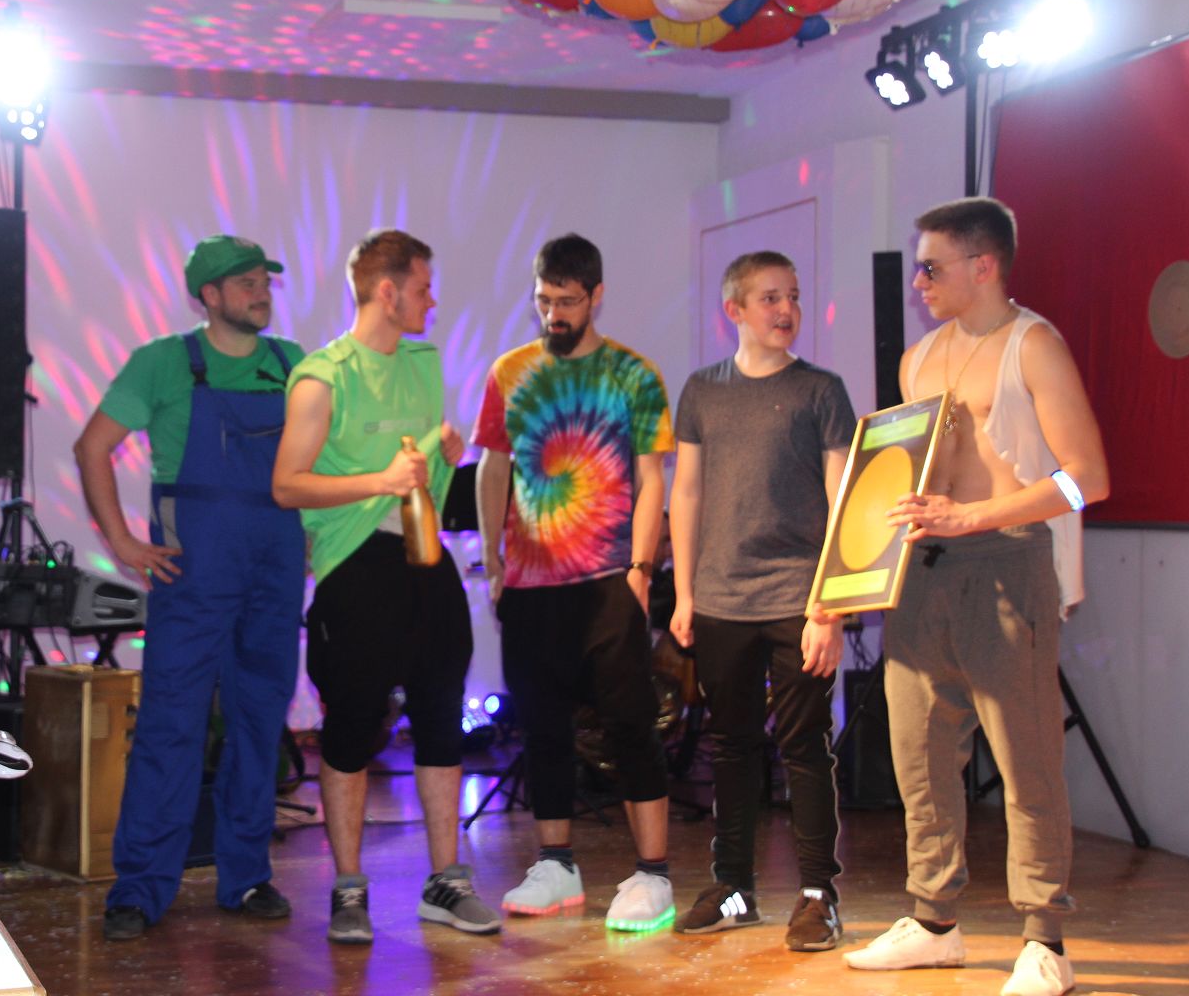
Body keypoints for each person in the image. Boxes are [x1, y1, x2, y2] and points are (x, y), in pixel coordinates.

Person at [824, 198, 1108, 996]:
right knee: (918, 753)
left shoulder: (1033, 345)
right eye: (917, 268)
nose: (917, 282)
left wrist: (974, 516)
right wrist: (857, 562)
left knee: (1026, 759)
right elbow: (905, 471)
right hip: (923, 568)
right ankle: (934, 922)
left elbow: (1087, 478)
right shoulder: (919, 359)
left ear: (983, 266)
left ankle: (1045, 939)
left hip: (1008, 559)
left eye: (931, 267)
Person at [74, 235, 307, 942]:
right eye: (245, 283)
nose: (260, 293)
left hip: (274, 572)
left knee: (258, 723)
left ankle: (247, 876)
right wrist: (121, 541)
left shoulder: (292, 364)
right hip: (193, 573)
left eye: (264, 281)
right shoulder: (164, 362)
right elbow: (92, 447)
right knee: (171, 725)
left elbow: (323, 458)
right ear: (209, 295)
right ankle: (140, 887)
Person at [272, 228, 499, 946]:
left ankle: (446, 882)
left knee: (441, 720)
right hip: (355, 567)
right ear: (387, 290)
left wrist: (447, 451)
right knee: (350, 731)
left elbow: (421, 467)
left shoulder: (424, 363)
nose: (433, 301)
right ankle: (348, 888)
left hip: (425, 561)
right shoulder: (322, 377)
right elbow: (286, 485)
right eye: (424, 288)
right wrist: (381, 480)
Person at [472, 233, 678, 932]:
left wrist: (642, 570)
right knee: (542, 729)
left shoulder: (632, 374)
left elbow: (652, 479)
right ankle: (555, 865)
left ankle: (653, 873)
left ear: (596, 296)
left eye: (566, 301)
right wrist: (494, 560)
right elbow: (493, 466)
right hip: (531, 586)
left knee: (630, 727)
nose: (553, 314)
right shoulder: (510, 372)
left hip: (609, 579)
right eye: (543, 301)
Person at [667, 251, 855, 950]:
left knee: (805, 747)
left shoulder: (822, 391)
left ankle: (818, 895)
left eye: (794, 296)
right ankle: (734, 888)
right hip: (721, 600)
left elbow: (843, 501)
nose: (787, 310)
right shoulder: (702, 391)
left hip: (798, 599)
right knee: (732, 747)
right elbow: (687, 492)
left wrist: (829, 607)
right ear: (735, 310)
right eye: (771, 297)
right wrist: (685, 592)